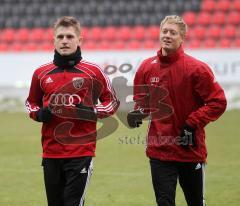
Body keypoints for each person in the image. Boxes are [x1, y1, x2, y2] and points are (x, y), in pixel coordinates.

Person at [127, 15, 227, 206]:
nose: (167, 35)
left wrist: (192, 122)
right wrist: (137, 114)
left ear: (182, 38)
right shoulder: (146, 67)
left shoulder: (197, 69)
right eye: (164, 31)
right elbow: (142, 102)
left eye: (173, 32)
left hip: (189, 149)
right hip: (159, 151)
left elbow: (218, 102)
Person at [25, 16, 119, 206]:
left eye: (69, 36)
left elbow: (112, 102)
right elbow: (31, 103)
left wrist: (92, 111)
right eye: (60, 37)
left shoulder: (94, 71)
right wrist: (39, 114)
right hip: (51, 152)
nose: (65, 41)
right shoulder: (41, 73)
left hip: (80, 151)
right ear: (54, 40)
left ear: (79, 40)